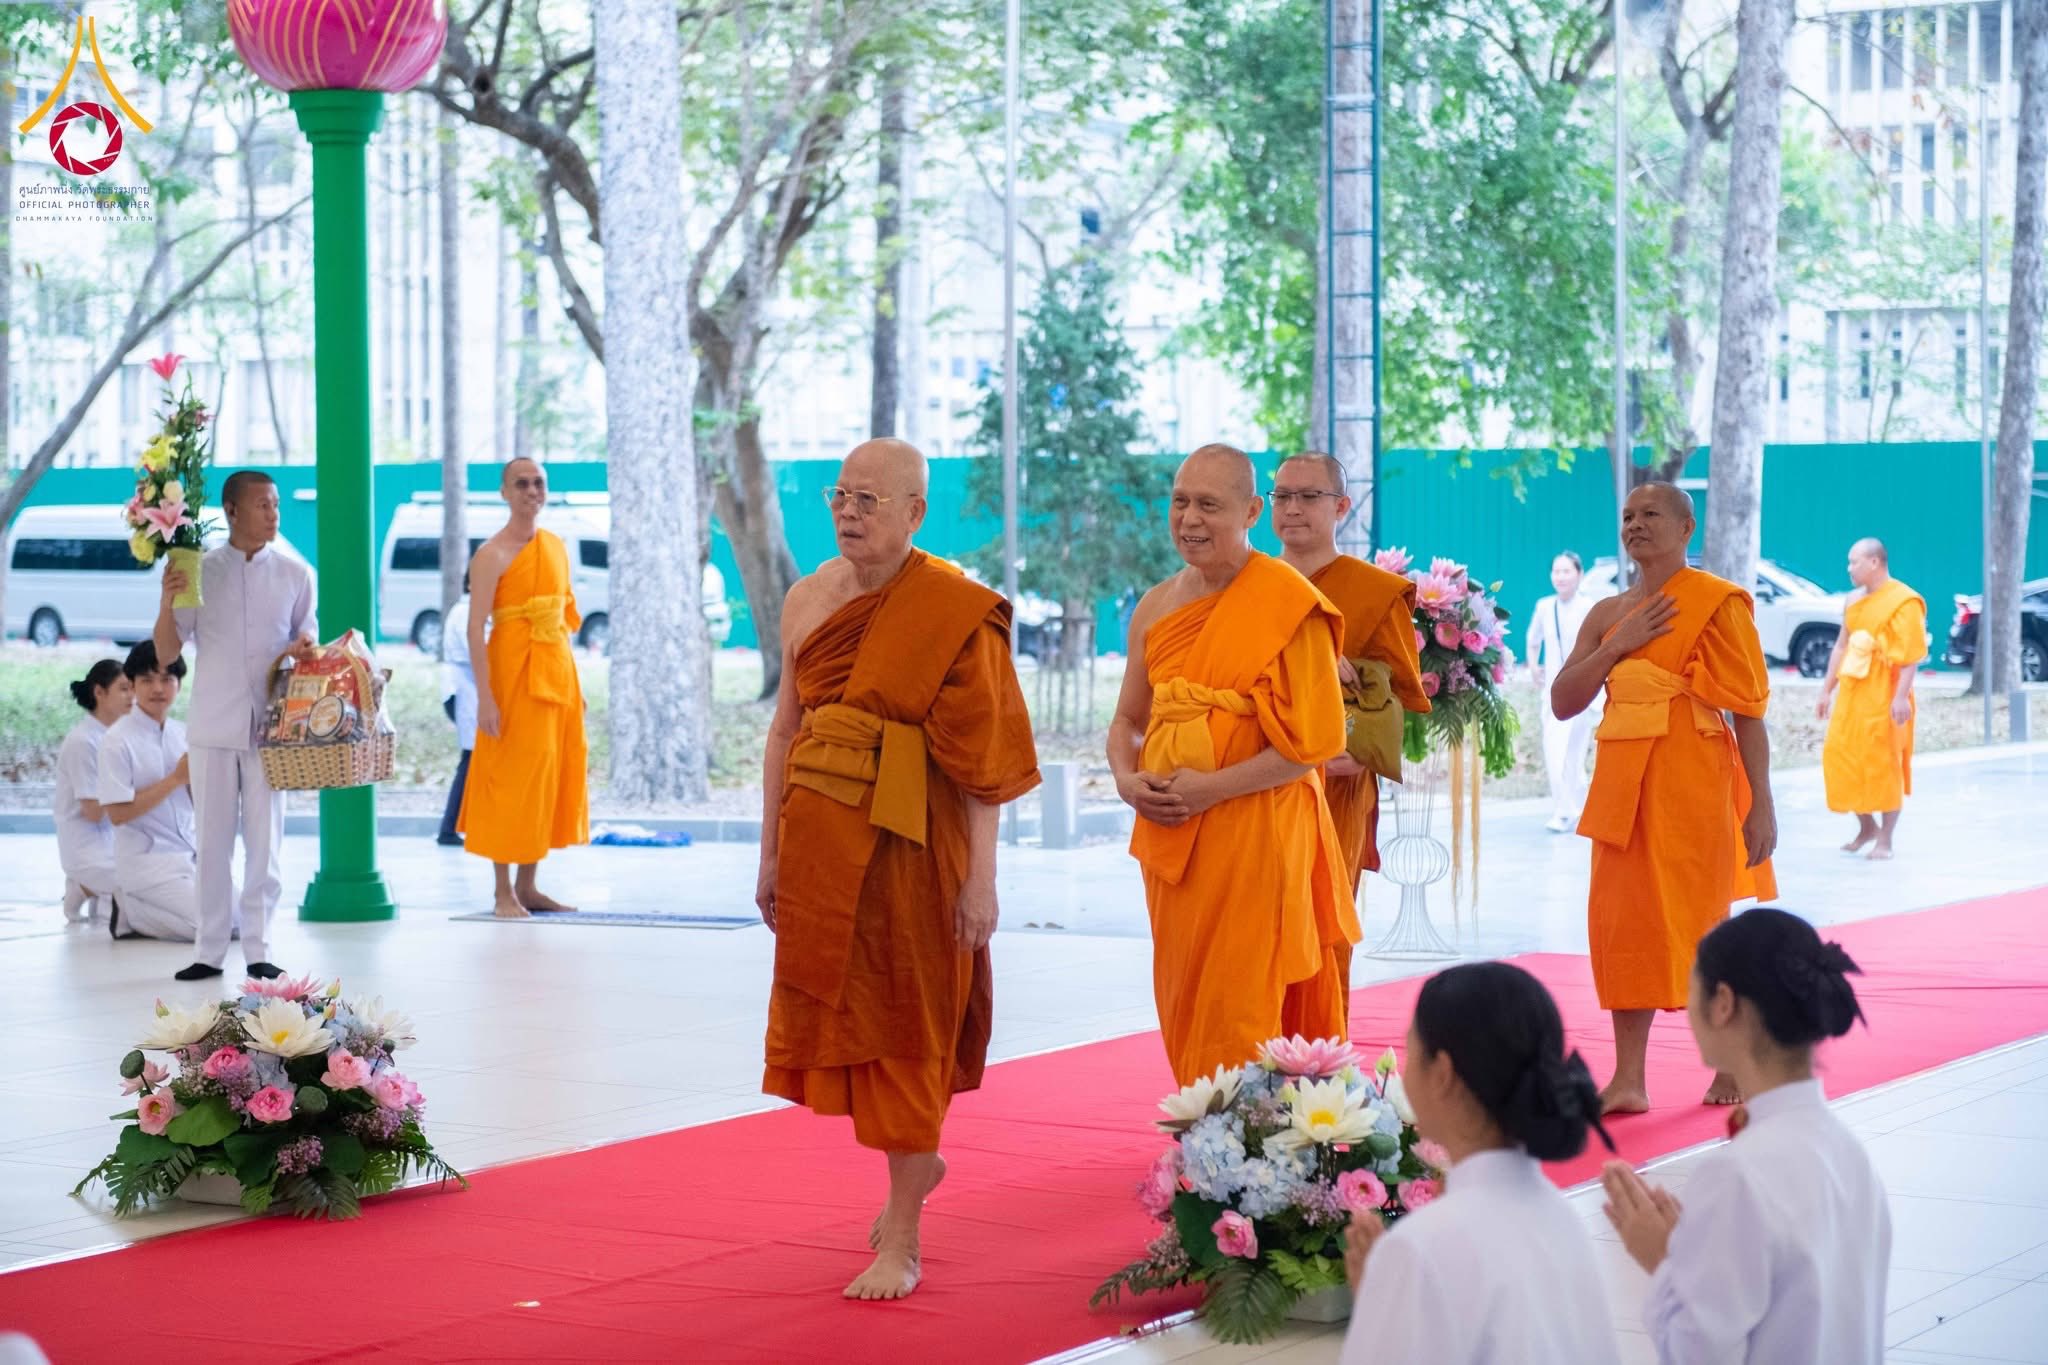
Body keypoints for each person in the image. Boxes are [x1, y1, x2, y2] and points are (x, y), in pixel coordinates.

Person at [758, 438, 1039, 1301]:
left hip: (919, 847)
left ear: (916, 512)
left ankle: (904, 1233)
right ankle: (917, 1172)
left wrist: (982, 878)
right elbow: (785, 728)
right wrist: (768, 849)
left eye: (870, 500)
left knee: (912, 1022)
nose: (849, 511)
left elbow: (985, 760)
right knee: (851, 1020)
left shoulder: (952, 608)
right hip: (821, 844)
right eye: (841, 496)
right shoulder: (808, 599)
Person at [1109, 443, 1352, 1086]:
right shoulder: (1158, 606)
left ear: (1250, 511)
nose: (1189, 518)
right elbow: (1129, 721)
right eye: (1180, 501)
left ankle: (1250, 1153)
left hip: (1259, 833)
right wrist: (1127, 780)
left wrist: (1210, 789)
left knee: (1241, 995)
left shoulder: (1284, 602)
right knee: (1186, 989)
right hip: (1173, 834)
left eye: (1209, 505)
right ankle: (1208, 1138)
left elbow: (1316, 744)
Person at [1550, 482, 1777, 1113]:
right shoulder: (1604, 613)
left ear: (1686, 527)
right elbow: (1564, 700)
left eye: (1651, 514)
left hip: (1692, 784)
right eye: (1627, 515)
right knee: (1622, 927)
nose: (1636, 524)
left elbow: (1749, 713)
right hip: (1621, 785)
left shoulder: (1716, 603)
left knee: (1701, 923)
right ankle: (1628, 1079)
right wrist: (1617, 645)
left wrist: (1761, 802)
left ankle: (1729, 1059)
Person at [1602, 909, 1888, 1363]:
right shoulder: (1849, 1150)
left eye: (1691, 987)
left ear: (1723, 1004)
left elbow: (1700, 1353)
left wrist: (1665, 1268)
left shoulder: (1735, 1174)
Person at [1339, 961, 1619, 1365]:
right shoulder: (1564, 1219)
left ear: (1443, 1073)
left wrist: (1381, 1299)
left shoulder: (1420, 1246)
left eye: (1411, 1051)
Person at [1270, 451, 1429, 991]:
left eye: (1308, 496)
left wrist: (1358, 750)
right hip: (1245, 779)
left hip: (1332, 785)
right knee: (1252, 931)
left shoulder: (1374, 592)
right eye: (1282, 495)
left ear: (1341, 506)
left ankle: (1319, 1064)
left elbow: (1395, 694)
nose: (1292, 508)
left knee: (1321, 928)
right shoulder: (1248, 583)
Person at [155, 470, 314, 982]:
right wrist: (166, 599)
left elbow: (307, 646)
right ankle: (208, 950)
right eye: (264, 504)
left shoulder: (296, 574)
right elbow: (165, 651)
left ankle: (260, 946)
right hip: (212, 724)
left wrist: (299, 653)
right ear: (231, 511)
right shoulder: (199, 571)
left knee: (266, 844)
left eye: (276, 504)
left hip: (273, 728)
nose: (274, 513)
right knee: (214, 842)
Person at [458, 458, 589, 916]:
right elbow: (475, 629)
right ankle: (501, 892)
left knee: (546, 778)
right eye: (522, 484)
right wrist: (486, 697)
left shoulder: (553, 545)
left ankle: (529, 885)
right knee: (508, 778)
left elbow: (562, 618)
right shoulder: (490, 554)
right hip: (510, 674)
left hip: (554, 674)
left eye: (538, 483)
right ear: (504, 492)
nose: (532, 491)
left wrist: (575, 687)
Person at [1818, 538, 1926, 861]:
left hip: (1886, 692)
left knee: (1883, 762)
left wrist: (1901, 697)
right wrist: (1826, 690)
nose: (1849, 569)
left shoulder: (1903, 601)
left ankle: (1885, 840)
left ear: (1875, 562)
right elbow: (1841, 646)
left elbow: (1910, 656)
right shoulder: (1852, 600)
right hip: (1853, 692)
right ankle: (1866, 826)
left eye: (1855, 562)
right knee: (1839, 756)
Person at [96, 641, 201, 943]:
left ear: (179, 685)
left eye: (167, 679)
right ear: (131, 685)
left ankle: (137, 911)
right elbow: (116, 814)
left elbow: (196, 802)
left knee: (238, 919)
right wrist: (175, 779)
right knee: (207, 929)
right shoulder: (117, 740)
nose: (158, 688)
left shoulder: (185, 734)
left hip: (189, 857)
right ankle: (131, 912)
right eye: (147, 680)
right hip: (148, 864)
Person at [1526, 550, 1604, 832]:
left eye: (1566, 571)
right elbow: (1533, 638)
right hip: (1553, 691)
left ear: (1579, 574)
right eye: (1556, 571)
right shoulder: (1545, 607)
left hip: (1583, 691)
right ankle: (1567, 806)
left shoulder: (1589, 607)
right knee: (1554, 749)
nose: (1560, 577)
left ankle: (1567, 809)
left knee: (1572, 752)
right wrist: (1534, 666)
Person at [54, 660, 131, 923]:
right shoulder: (83, 741)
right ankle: (84, 886)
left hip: (114, 843)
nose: (131, 696)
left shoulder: (119, 736)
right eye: (123, 688)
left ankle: (101, 896)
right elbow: (93, 812)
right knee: (144, 886)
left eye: (132, 688)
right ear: (99, 692)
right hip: (86, 848)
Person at [436, 573, 477, 848]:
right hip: (466, 689)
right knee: (471, 757)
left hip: (470, 688)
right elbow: (477, 651)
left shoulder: (472, 610)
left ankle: (455, 826)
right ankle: (449, 828)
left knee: (473, 758)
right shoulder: (466, 612)